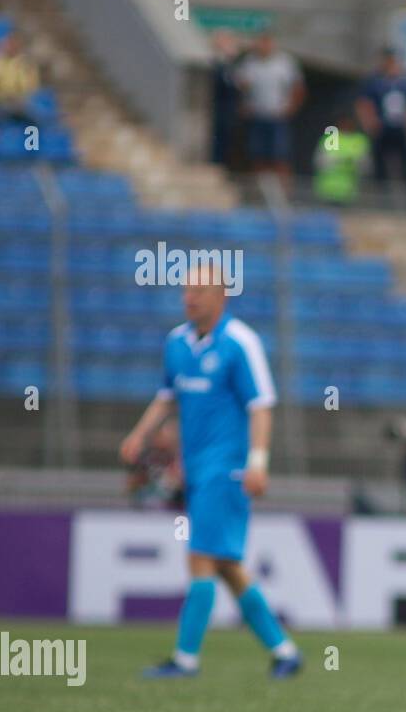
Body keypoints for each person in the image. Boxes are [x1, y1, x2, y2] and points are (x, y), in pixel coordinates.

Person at [121, 261, 301, 679]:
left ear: (222, 295)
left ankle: (185, 658)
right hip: (196, 470)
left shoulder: (240, 342)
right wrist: (139, 435)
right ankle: (284, 650)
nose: (189, 297)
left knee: (201, 556)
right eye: (186, 289)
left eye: (199, 290)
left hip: (228, 469)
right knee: (225, 565)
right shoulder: (176, 343)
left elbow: (261, 405)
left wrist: (258, 462)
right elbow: (167, 397)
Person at [236, 33, 305, 183]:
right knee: (257, 156)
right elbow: (242, 87)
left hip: (277, 117)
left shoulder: (285, 63)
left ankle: (283, 195)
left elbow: (298, 88)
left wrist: (290, 109)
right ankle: (260, 192)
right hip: (258, 116)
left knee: (280, 157)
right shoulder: (250, 63)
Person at [356, 48, 406, 190]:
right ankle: (382, 195)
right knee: (380, 163)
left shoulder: (405, 82)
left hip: (400, 126)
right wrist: (369, 122)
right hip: (382, 127)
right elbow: (364, 102)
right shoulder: (374, 81)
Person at [313, 110, 371, 205]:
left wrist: (348, 162)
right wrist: (343, 161)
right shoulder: (330, 138)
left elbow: (365, 166)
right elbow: (320, 162)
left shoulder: (360, 140)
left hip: (350, 193)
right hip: (327, 191)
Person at [209, 30, 243, 169]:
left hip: (228, 111)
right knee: (216, 139)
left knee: (226, 140)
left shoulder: (232, 67)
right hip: (218, 110)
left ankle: (221, 163)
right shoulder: (216, 65)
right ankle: (215, 162)